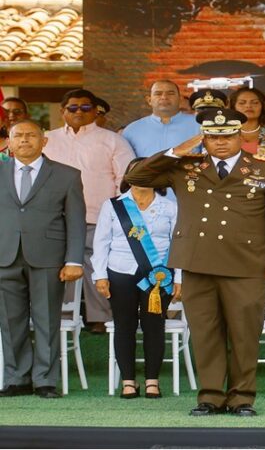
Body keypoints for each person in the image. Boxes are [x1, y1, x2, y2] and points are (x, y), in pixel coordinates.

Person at [124, 108, 265, 417]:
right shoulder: (185, 166)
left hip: (246, 264)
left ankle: (242, 398)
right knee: (205, 333)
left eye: (227, 135)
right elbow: (136, 176)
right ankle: (211, 397)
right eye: (213, 136)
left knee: (244, 335)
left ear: (239, 136)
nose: (220, 142)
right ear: (204, 136)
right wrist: (176, 151)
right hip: (197, 262)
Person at [0, 120, 86, 399]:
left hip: (49, 258)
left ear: (44, 141)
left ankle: (45, 380)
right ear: (9, 143)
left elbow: (75, 221)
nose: (24, 140)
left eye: (31, 135)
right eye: (18, 136)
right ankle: (16, 378)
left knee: (47, 319)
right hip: (4, 256)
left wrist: (74, 259)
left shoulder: (66, 175)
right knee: (10, 321)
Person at [44, 89, 136, 334]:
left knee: (98, 267)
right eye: (72, 107)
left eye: (85, 107)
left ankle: (100, 319)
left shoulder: (113, 140)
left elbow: (125, 179)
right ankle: (62, 317)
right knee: (58, 267)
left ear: (96, 111)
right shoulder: (47, 139)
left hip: (99, 215)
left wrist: (119, 214)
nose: (78, 112)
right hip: (55, 218)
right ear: (62, 111)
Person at [91, 158, 182, 399]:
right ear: (128, 176)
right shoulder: (113, 206)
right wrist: (100, 275)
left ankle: (152, 380)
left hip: (159, 276)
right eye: (137, 171)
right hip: (119, 272)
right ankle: (128, 381)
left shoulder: (170, 207)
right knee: (125, 326)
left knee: (154, 326)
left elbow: (178, 245)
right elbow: (101, 242)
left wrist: (179, 277)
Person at [122, 80, 201, 159]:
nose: (164, 97)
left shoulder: (199, 125)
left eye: (170, 93)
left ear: (180, 99)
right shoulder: (132, 130)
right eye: (158, 94)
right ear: (149, 100)